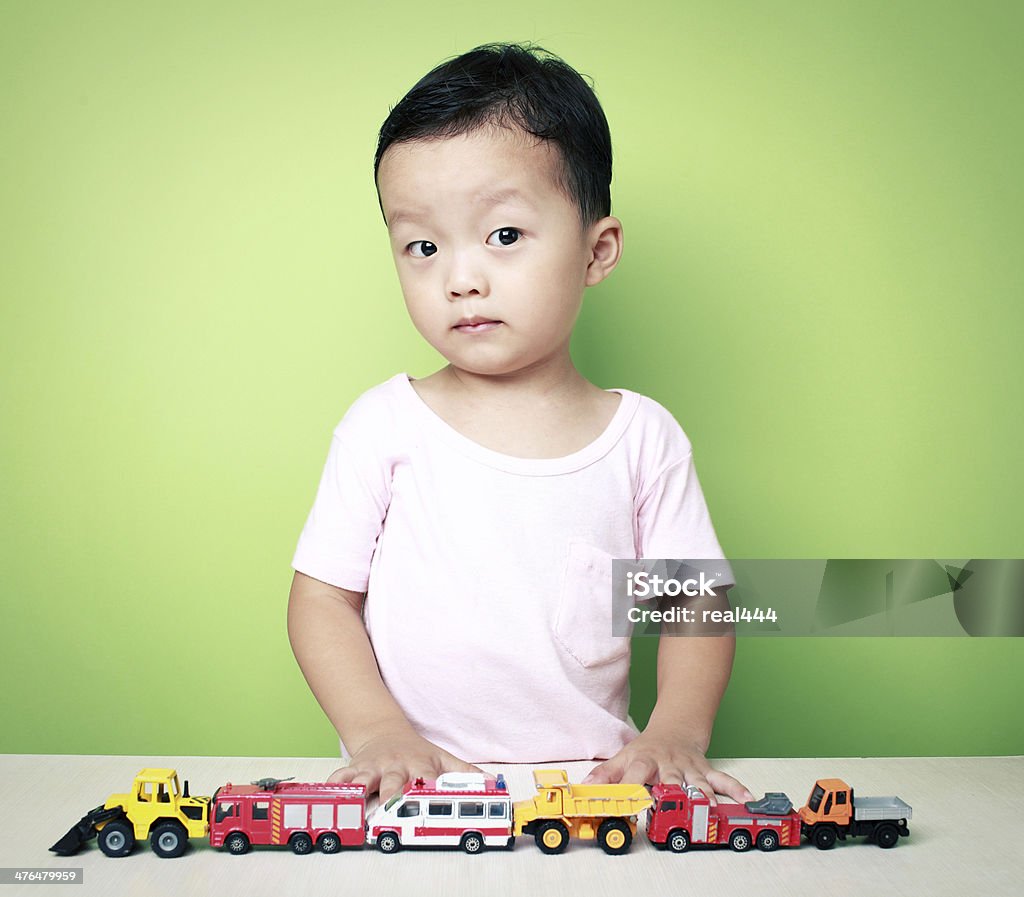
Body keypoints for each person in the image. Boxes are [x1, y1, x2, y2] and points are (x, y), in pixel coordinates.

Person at [287, 42, 751, 806]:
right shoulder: (384, 426)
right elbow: (321, 599)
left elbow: (696, 603)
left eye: (504, 235)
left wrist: (676, 730)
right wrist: (376, 732)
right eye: (422, 246)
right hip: (416, 791)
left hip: (589, 792)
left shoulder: (641, 439)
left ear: (597, 251)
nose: (460, 278)